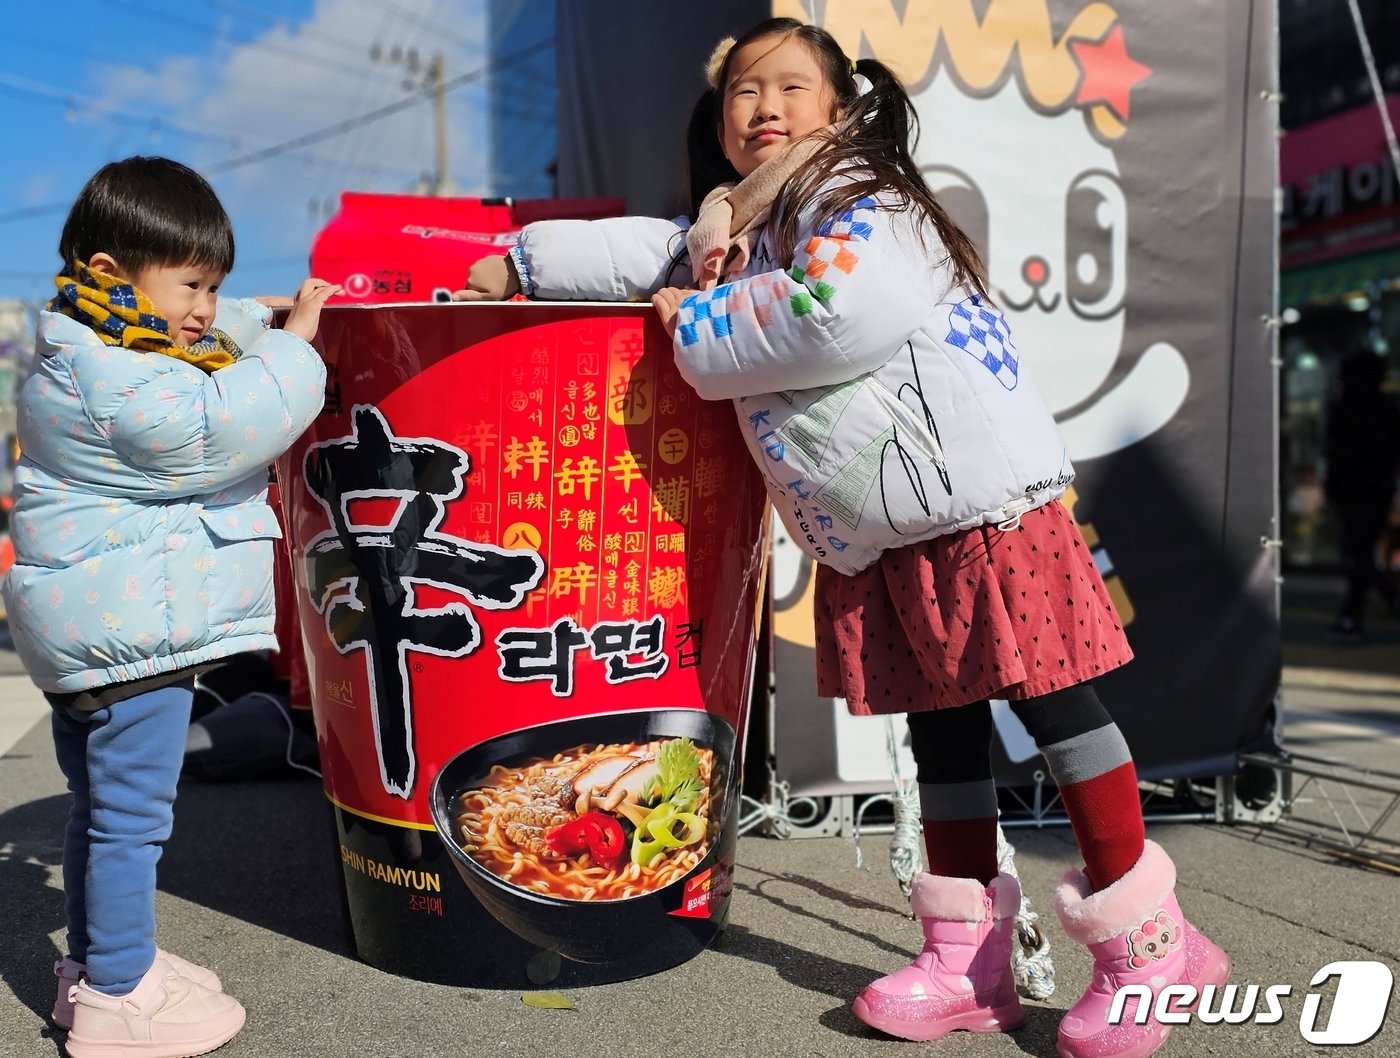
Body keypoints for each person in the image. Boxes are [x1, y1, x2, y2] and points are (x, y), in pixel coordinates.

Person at [458, 17, 1230, 1058]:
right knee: (938, 736)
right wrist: (512, 262)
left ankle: (1150, 949)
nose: (761, 105)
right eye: (740, 90)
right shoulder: (731, 229)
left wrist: (692, 324)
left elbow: (836, 314)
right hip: (884, 532)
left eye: (786, 85)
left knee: (1057, 706)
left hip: (976, 504)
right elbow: (638, 249)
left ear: (838, 106)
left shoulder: (865, 201)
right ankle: (967, 962)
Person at [2, 156, 334, 1058]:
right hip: (129, 645)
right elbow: (222, 424)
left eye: (214, 285)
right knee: (130, 819)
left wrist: (246, 314)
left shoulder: (96, 350)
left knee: (99, 809)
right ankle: (118, 995)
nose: (204, 306)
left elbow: (198, 344)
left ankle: (104, 965)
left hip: (104, 634)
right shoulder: (121, 381)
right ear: (112, 277)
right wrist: (293, 343)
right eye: (192, 283)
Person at [1323, 349, 1400, 641]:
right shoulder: (1385, 407)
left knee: (1356, 554)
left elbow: (1336, 452)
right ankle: (1357, 611)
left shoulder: (1347, 407)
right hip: (1376, 491)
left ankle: (1360, 609)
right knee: (1360, 553)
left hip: (1356, 492)